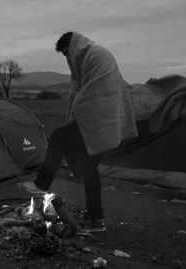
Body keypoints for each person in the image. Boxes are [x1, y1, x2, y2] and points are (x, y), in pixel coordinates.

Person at [21, 31, 138, 232]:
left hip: (101, 118)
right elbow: (78, 90)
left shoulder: (96, 55)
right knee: (89, 170)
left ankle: (42, 184)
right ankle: (96, 219)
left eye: (67, 52)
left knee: (58, 136)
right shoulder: (82, 62)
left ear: (74, 46)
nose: (67, 58)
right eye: (64, 55)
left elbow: (98, 89)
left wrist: (78, 111)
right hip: (96, 118)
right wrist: (74, 114)